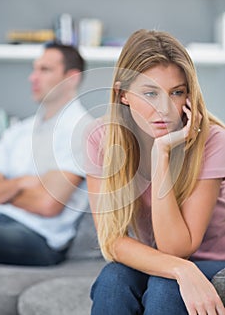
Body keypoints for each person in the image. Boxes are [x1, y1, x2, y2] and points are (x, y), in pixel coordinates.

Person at [85, 29, 225, 314]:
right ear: (123, 94)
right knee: (113, 279)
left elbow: (177, 247)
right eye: (150, 93)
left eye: (177, 92)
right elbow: (111, 240)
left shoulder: (213, 141)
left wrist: (161, 155)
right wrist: (181, 270)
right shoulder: (102, 138)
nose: (164, 108)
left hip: (216, 261)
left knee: (166, 288)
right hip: (166, 262)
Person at [0, 42, 92, 266]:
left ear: (72, 78)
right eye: (35, 68)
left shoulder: (82, 131)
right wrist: (20, 183)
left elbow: (47, 205)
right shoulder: (20, 130)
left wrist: (3, 189)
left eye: (44, 70)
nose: (32, 78)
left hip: (39, 238)